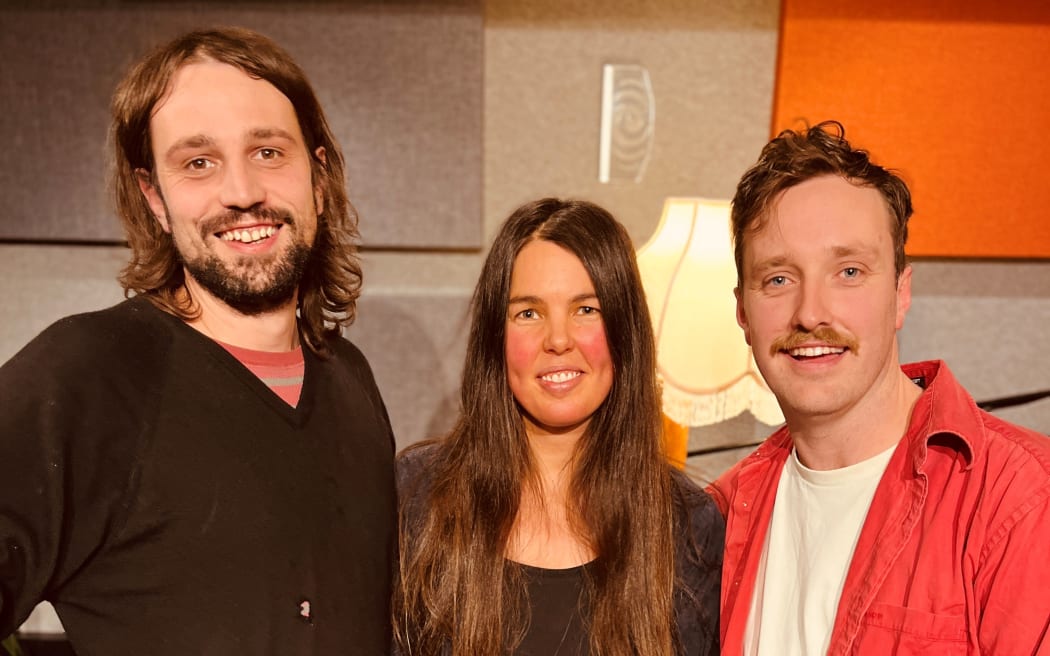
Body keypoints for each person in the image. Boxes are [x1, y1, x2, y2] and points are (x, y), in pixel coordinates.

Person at [0, 27, 396, 654]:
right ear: (153, 197)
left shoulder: (350, 376)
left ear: (318, 177)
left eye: (268, 152)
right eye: (198, 163)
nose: (241, 193)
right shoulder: (83, 376)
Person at [708, 121, 1050, 654]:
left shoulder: (1023, 501)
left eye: (848, 271)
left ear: (900, 292)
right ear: (742, 311)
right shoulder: (719, 516)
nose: (811, 312)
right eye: (778, 278)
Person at [393, 198, 724, 656]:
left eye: (586, 309)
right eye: (528, 313)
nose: (559, 340)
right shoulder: (418, 498)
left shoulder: (687, 527)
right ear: (496, 338)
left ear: (624, 329)